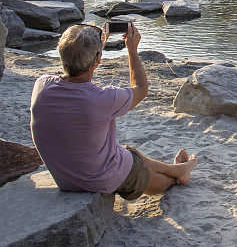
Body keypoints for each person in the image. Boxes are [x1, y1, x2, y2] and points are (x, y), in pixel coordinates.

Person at [30, 22, 197, 201]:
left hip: (66, 178)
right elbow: (140, 88)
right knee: (145, 175)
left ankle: (177, 169)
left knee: (130, 153)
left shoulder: (42, 86)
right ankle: (177, 177)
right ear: (98, 60)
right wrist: (132, 49)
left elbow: (74, 71)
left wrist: (96, 49)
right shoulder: (100, 99)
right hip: (98, 179)